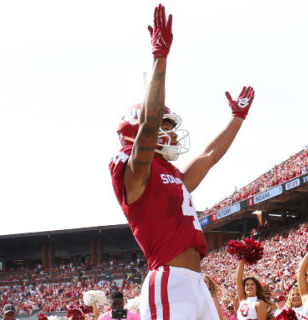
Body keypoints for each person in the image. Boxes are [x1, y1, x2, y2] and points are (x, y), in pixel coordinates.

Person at [109, 3, 255, 320]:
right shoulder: (135, 174)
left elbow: (209, 156)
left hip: (196, 284)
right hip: (169, 283)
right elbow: (149, 124)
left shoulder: (171, 174)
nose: (172, 135)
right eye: (165, 126)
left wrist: (237, 119)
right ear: (139, 133)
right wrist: (160, 56)